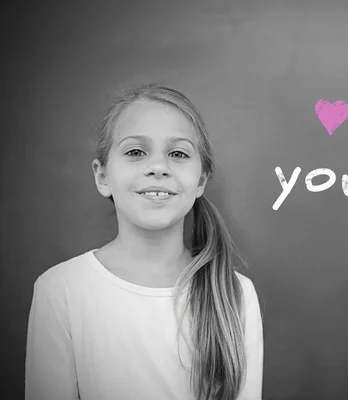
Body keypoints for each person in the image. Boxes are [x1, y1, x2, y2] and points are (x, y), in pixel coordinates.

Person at [25, 83, 264, 400]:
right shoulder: (61, 289)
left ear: (200, 181)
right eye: (135, 152)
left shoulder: (235, 294)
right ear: (103, 177)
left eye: (178, 154)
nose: (158, 167)